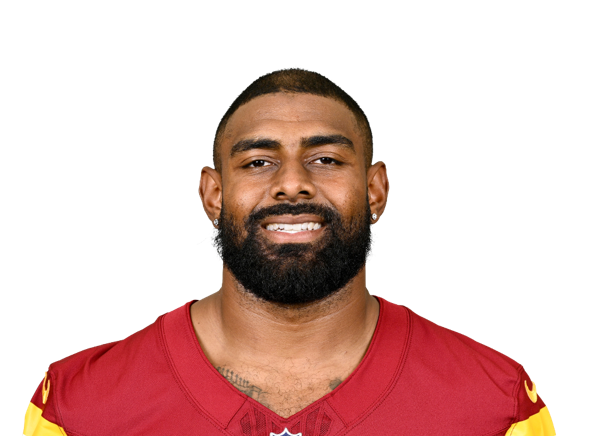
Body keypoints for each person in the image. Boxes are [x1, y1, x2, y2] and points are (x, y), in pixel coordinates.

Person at [24, 68, 555, 436]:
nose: (292, 183)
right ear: (213, 195)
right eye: (258, 162)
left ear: (375, 192)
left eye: (326, 159)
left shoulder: (496, 405)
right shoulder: (77, 407)